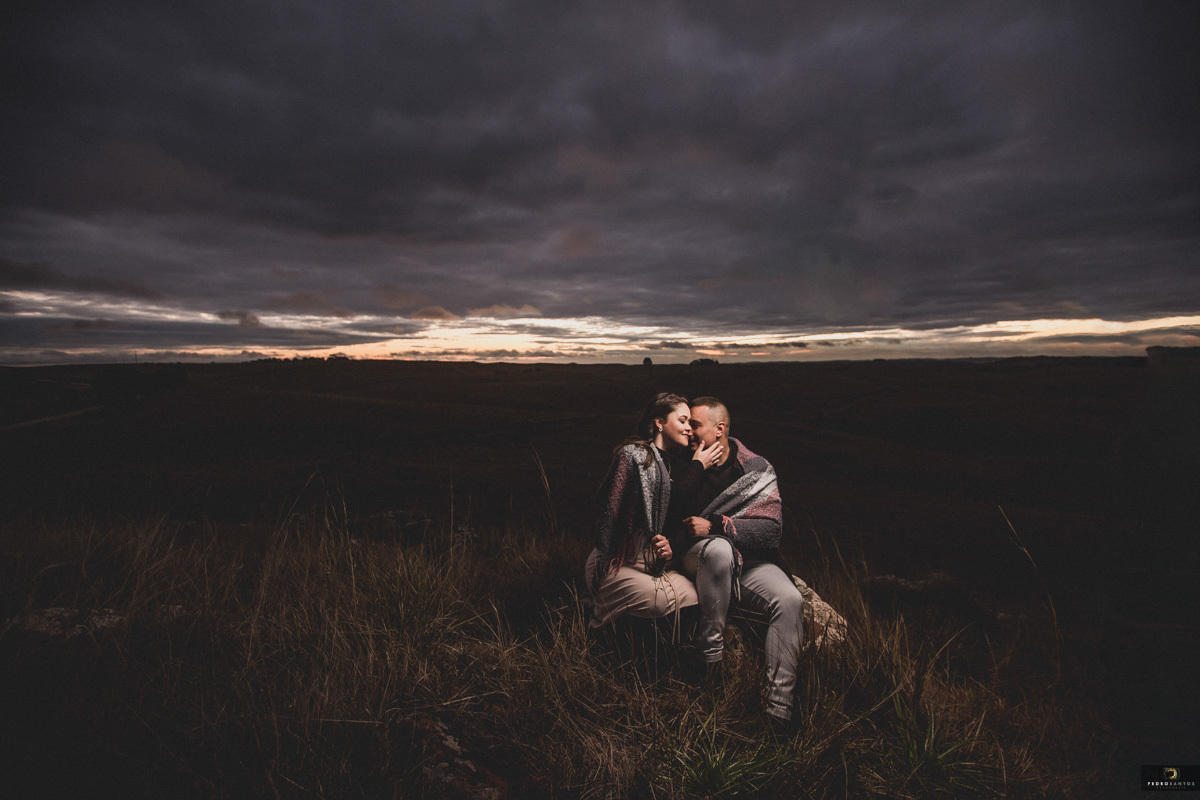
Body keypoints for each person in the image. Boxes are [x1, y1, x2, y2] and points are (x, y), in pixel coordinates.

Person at [671, 396, 804, 725]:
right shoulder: (679, 462)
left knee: (790, 600)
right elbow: (665, 517)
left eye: (695, 425)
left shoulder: (755, 469)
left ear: (719, 429)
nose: (688, 431)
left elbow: (770, 531)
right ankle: (709, 659)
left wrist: (719, 525)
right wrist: (695, 469)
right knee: (719, 550)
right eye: (686, 424)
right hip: (697, 556)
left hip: (749, 562)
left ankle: (778, 711)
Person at [585, 392, 723, 632]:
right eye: (682, 421)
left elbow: (672, 515)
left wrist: (667, 547)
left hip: (653, 563)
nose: (688, 429)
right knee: (658, 602)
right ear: (659, 423)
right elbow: (609, 512)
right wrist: (699, 465)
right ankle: (598, 622)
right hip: (619, 559)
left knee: (692, 599)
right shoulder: (633, 455)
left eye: (691, 423)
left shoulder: (677, 464)